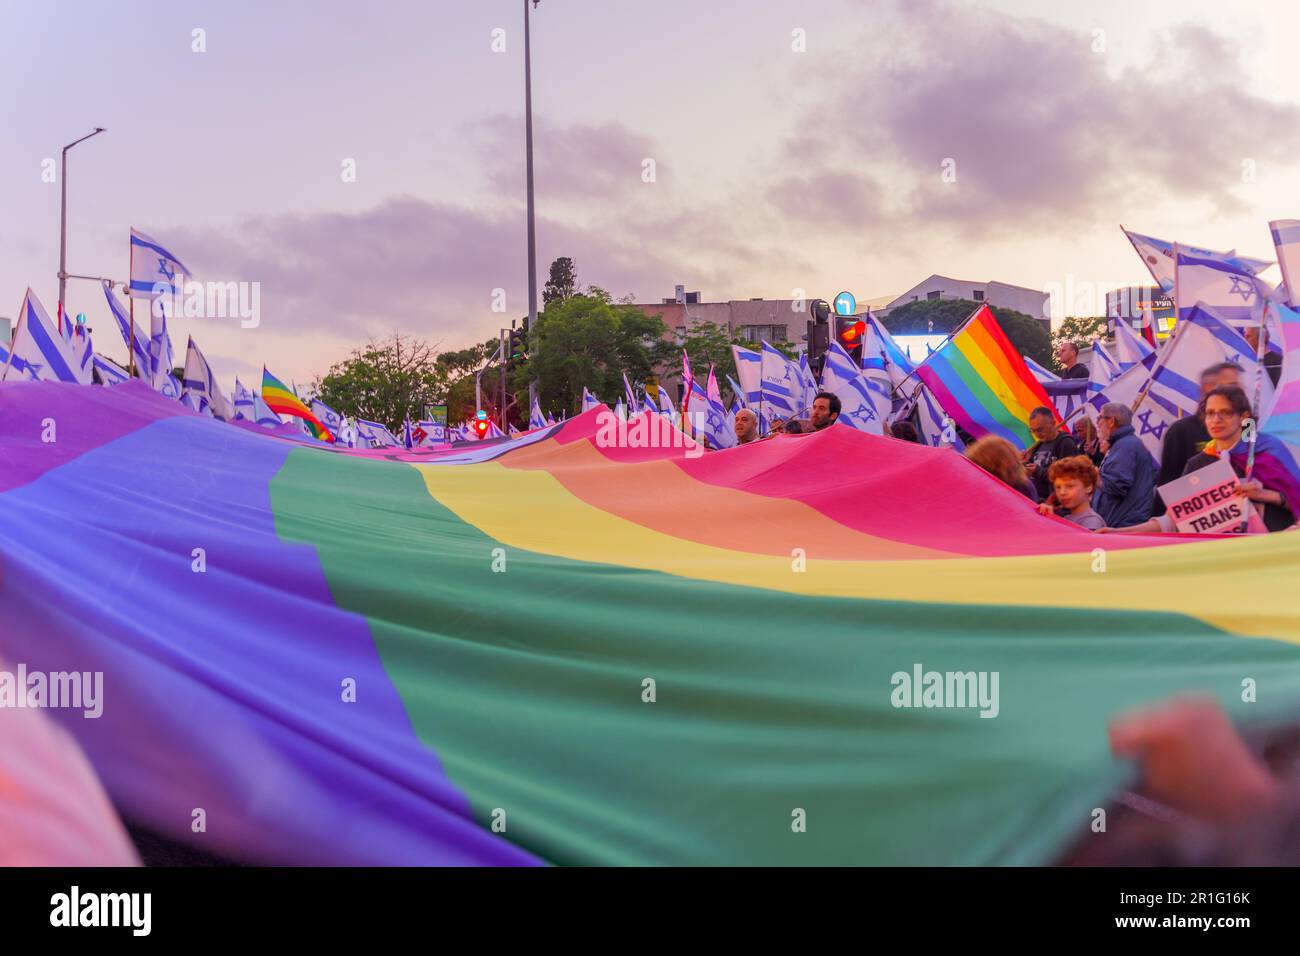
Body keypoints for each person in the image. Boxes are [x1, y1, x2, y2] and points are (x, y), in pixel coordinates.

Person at [1105, 385, 1295, 533]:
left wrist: (1269, 496)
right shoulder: (1198, 463)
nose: (1216, 419)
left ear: (1244, 417)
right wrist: (1118, 533)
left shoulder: (1268, 453)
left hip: (1271, 557)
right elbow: (1174, 520)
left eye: (1226, 412)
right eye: (1210, 413)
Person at [1156, 362, 1242, 499]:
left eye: (1239, 385)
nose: (1239, 391)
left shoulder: (1249, 424)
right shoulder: (1181, 431)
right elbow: (1169, 486)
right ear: (1208, 388)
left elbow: (1259, 462)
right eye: (1232, 386)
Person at [1093, 402, 1155, 527]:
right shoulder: (1124, 443)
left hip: (1123, 522)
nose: (1097, 423)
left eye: (1099, 418)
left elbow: (1116, 487)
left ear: (1111, 421)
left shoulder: (1125, 446)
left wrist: (1095, 476)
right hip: (1124, 519)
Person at [1022, 406, 1079, 500]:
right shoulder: (1038, 445)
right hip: (1037, 501)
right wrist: (1025, 463)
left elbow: (1068, 476)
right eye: (1033, 431)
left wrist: (1038, 471)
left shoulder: (1065, 443)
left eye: (1040, 429)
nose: (1037, 434)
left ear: (1053, 423)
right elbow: (1033, 470)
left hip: (1055, 505)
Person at [1035, 455, 1105, 529]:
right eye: (1058, 487)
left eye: (1070, 486)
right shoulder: (1067, 518)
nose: (1062, 492)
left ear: (1088, 487)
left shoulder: (1091, 521)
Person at [964, 435, 1037, 501]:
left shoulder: (1024, 487)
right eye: (1008, 471)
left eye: (1015, 468)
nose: (1012, 474)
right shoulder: (972, 489)